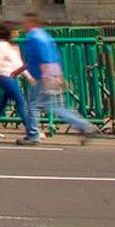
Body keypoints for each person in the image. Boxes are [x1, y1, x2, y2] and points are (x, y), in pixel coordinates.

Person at [19, 13, 96, 142]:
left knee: (33, 105)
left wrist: (46, 76)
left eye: (26, 22)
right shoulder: (45, 36)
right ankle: (85, 126)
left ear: (31, 23)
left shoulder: (34, 37)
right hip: (52, 73)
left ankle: (33, 135)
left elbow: (43, 58)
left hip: (42, 75)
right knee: (55, 107)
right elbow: (52, 55)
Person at [0, 21, 38, 144]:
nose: (17, 32)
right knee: (20, 101)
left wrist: (29, 77)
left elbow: (19, 64)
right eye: (14, 30)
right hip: (4, 76)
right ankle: (31, 131)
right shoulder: (0, 45)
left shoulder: (11, 46)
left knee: (3, 104)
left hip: (11, 76)